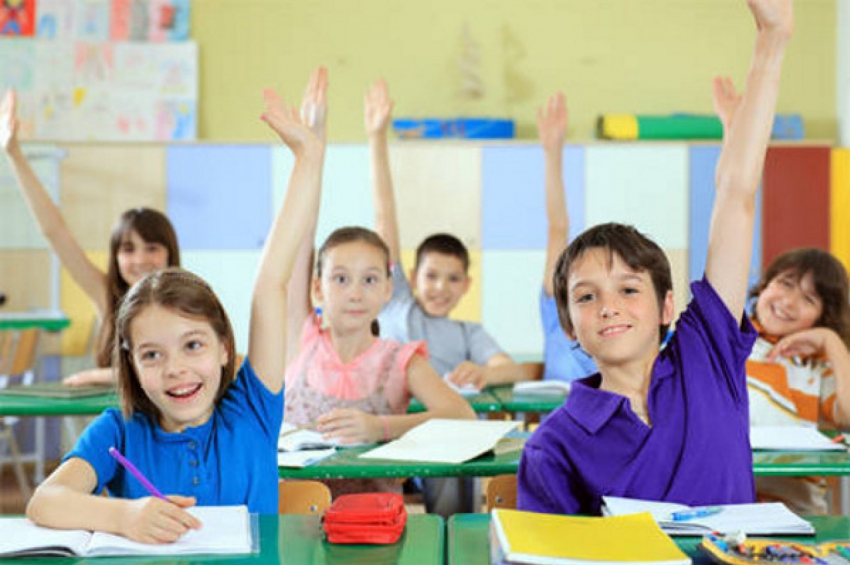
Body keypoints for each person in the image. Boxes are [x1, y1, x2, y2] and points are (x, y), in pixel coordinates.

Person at [25, 68, 327, 543]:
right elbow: (44, 501)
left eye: (193, 345)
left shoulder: (251, 410)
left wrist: (309, 158)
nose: (176, 369)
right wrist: (125, 516)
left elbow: (271, 280)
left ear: (224, 347)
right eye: (152, 354)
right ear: (130, 361)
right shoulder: (120, 430)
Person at [517, 0, 793, 515]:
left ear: (667, 306)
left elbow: (736, 192)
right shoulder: (552, 446)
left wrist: (771, 40)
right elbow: (551, 549)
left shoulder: (705, 355)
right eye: (586, 297)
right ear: (569, 324)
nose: (609, 306)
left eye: (628, 289)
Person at [283, 75, 475, 502]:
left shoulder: (398, 360)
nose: (355, 292)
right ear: (317, 287)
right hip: (296, 522)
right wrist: (313, 147)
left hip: (375, 522)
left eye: (370, 279)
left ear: (389, 289)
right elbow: (300, 235)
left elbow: (461, 415)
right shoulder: (301, 336)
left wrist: (381, 427)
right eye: (340, 278)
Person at [712, 77, 850, 515]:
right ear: (764, 285)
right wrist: (734, 135)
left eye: (808, 299)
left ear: (822, 316)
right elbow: (731, 212)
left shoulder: (817, 367)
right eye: (785, 284)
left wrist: (832, 343)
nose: (788, 301)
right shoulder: (731, 339)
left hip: (797, 516)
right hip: (723, 506)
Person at [364, 79, 534, 391]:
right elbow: (384, 218)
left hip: (444, 418)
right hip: (393, 416)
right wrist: (376, 137)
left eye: (453, 279)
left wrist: (484, 373)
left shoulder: (468, 333)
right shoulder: (394, 300)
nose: (441, 287)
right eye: (431, 276)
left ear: (467, 285)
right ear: (412, 277)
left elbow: (515, 372)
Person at [1, 89, 180, 387]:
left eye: (151, 248)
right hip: (113, 415)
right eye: (128, 249)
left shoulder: (185, 303)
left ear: (169, 253)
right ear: (115, 256)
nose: (140, 259)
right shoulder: (107, 295)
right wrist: (14, 153)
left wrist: (96, 375)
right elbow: (54, 231)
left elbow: (168, 371)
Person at [537, 91, 598, 383]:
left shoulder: (614, 343)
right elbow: (558, 226)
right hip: (557, 413)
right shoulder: (556, 315)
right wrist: (552, 154)